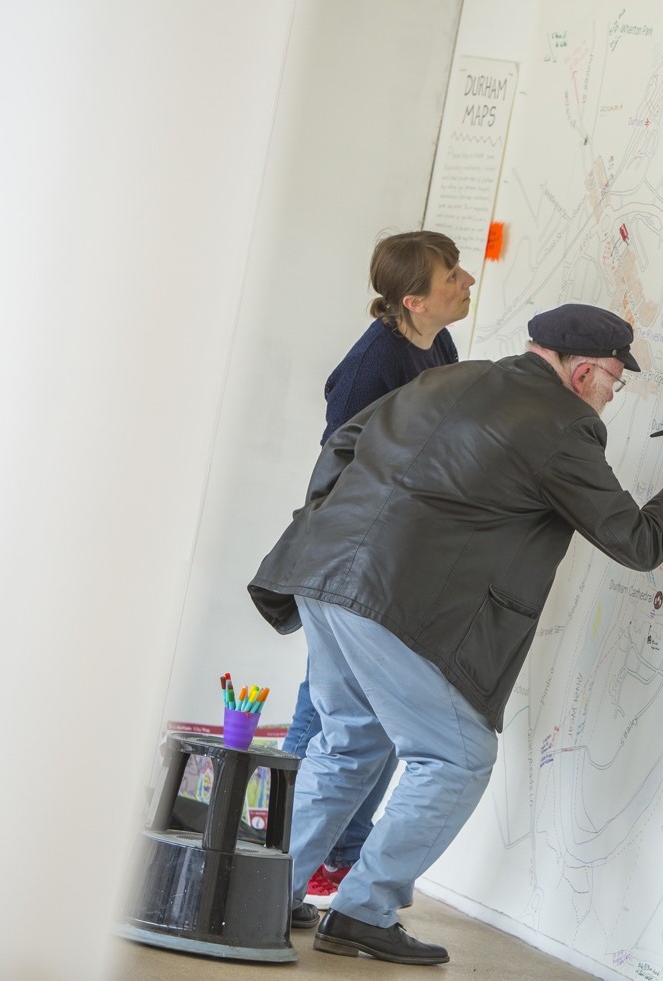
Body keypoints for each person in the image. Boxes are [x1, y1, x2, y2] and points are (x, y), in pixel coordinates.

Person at [248, 303, 663, 965]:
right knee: (457, 756)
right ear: (583, 372)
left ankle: (266, 896)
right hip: (394, 601)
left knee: (348, 740)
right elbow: (635, 540)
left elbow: (343, 445)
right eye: (616, 379)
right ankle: (362, 910)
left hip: (325, 574)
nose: (615, 393)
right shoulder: (562, 424)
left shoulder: (446, 378)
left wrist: (337, 530)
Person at [280, 229, 475, 910]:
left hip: (392, 560)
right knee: (332, 715)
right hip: (349, 559)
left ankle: (321, 857)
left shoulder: (438, 344)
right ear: (414, 299)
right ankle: (292, 860)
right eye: (451, 274)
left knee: (357, 716)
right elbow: (344, 467)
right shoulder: (372, 367)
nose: (467, 279)